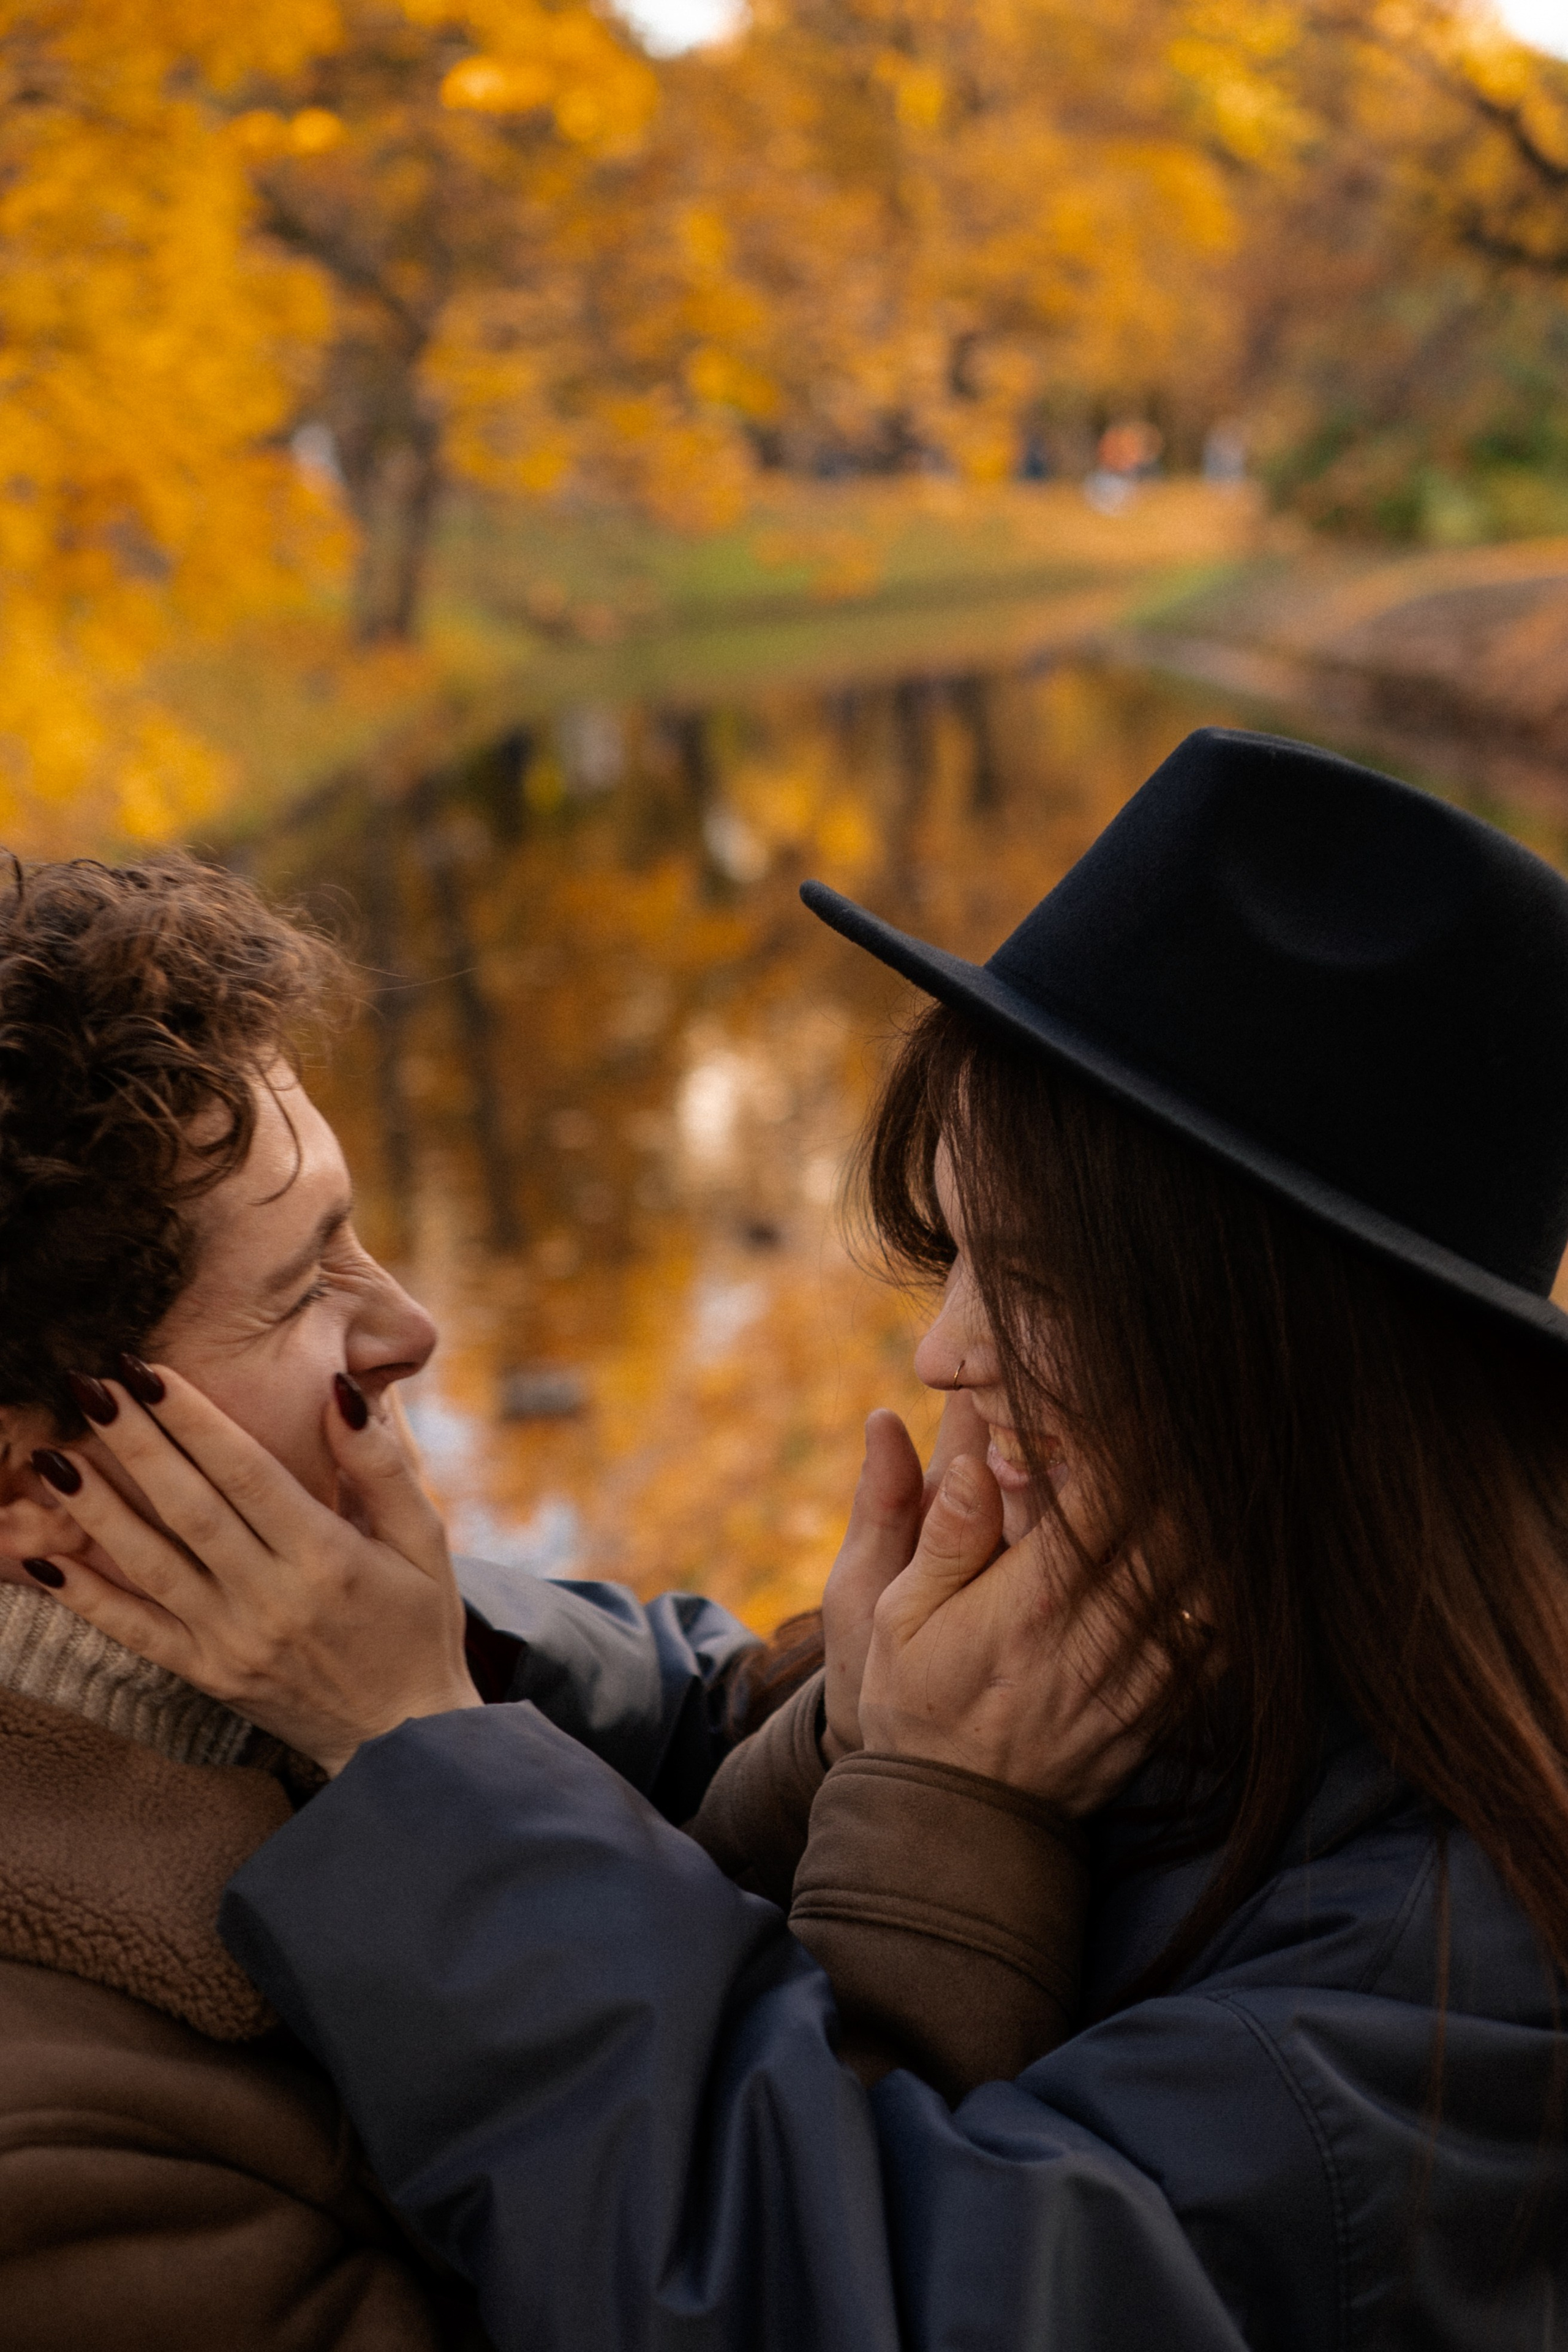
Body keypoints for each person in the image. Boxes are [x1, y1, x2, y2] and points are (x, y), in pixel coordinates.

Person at [30, 726, 1568, 2348]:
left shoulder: (1453, 1964)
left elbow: (893, 2304)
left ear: (1268, 1354)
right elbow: (692, 1724)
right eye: (951, 1259)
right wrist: (832, 1710)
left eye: (1030, 1282)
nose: (944, 1353)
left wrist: (415, 1740)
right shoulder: (1179, 1620)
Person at [0, 851, 786, 2351]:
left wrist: (863, 1712)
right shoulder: (43, 2166)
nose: (411, 1327)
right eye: (301, 1290)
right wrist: (956, 1841)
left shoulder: (263, 1643)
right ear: (34, 1481)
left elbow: (657, 1723)